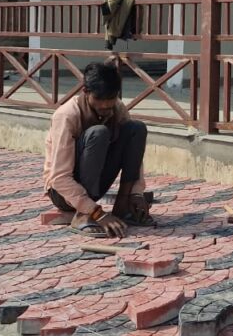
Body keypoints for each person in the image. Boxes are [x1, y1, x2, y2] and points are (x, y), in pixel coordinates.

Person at [43, 61, 155, 238]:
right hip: (63, 194)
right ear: (85, 92)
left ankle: (124, 206)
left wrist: (136, 193)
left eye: (110, 99)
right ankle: (83, 215)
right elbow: (59, 178)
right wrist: (95, 212)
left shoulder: (117, 108)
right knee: (99, 133)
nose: (105, 106)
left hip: (96, 187)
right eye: (99, 99)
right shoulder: (66, 115)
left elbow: (133, 150)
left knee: (136, 128)